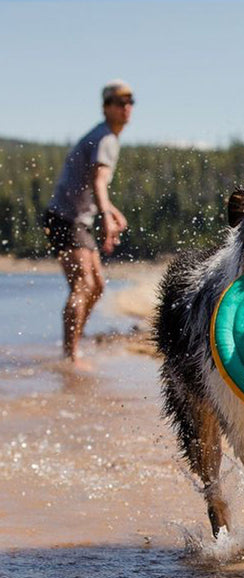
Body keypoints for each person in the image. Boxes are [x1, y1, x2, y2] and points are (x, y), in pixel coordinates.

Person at [43, 80, 134, 369]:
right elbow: (98, 182)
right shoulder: (105, 138)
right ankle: (70, 356)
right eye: (119, 102)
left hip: (76, 219)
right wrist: (106, 215)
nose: (126, 107)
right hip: (66, 219)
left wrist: (110, 210)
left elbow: (94, 185)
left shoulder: (105, 137)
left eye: (131, 101)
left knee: (96, 287)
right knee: (83, 285)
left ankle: (74, 346)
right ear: (106, 107)